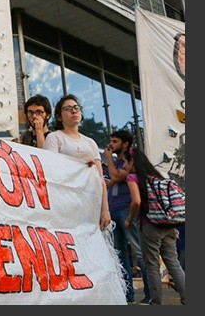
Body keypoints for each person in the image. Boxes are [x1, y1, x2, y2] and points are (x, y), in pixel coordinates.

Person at [125, 148, 185, 305]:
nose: (124, 166)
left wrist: (129, 219)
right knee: (173, 262)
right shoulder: (157, 177)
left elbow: (136, 201)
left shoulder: (133, 177)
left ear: (132, 162)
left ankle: (156, 302)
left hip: (150, 225)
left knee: (151, 264)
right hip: (169, 225)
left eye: (125, 162)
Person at [43, 94, 110, 230]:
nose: (73, 111)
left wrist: (105, 210)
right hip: (65, 204)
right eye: (67, 108)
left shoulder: (90, 142)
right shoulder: (54, 137)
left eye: (76, 108)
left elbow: (100, 180)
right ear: (59, 116)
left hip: (91, 204)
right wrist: (78, 163)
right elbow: (50, 171)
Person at [103, 129, 148, 303]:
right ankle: (127, 293)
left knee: (138, 250)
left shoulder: (128, 161)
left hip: (126, 209)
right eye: (111, 141)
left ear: (125, 143)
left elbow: (115, 176)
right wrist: (113, 177)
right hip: (112, 210)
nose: (111, 145)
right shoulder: (115, 162)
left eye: (115, 141)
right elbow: (107, 181)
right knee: (120, 253)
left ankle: (151, 294)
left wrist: (108, 161)